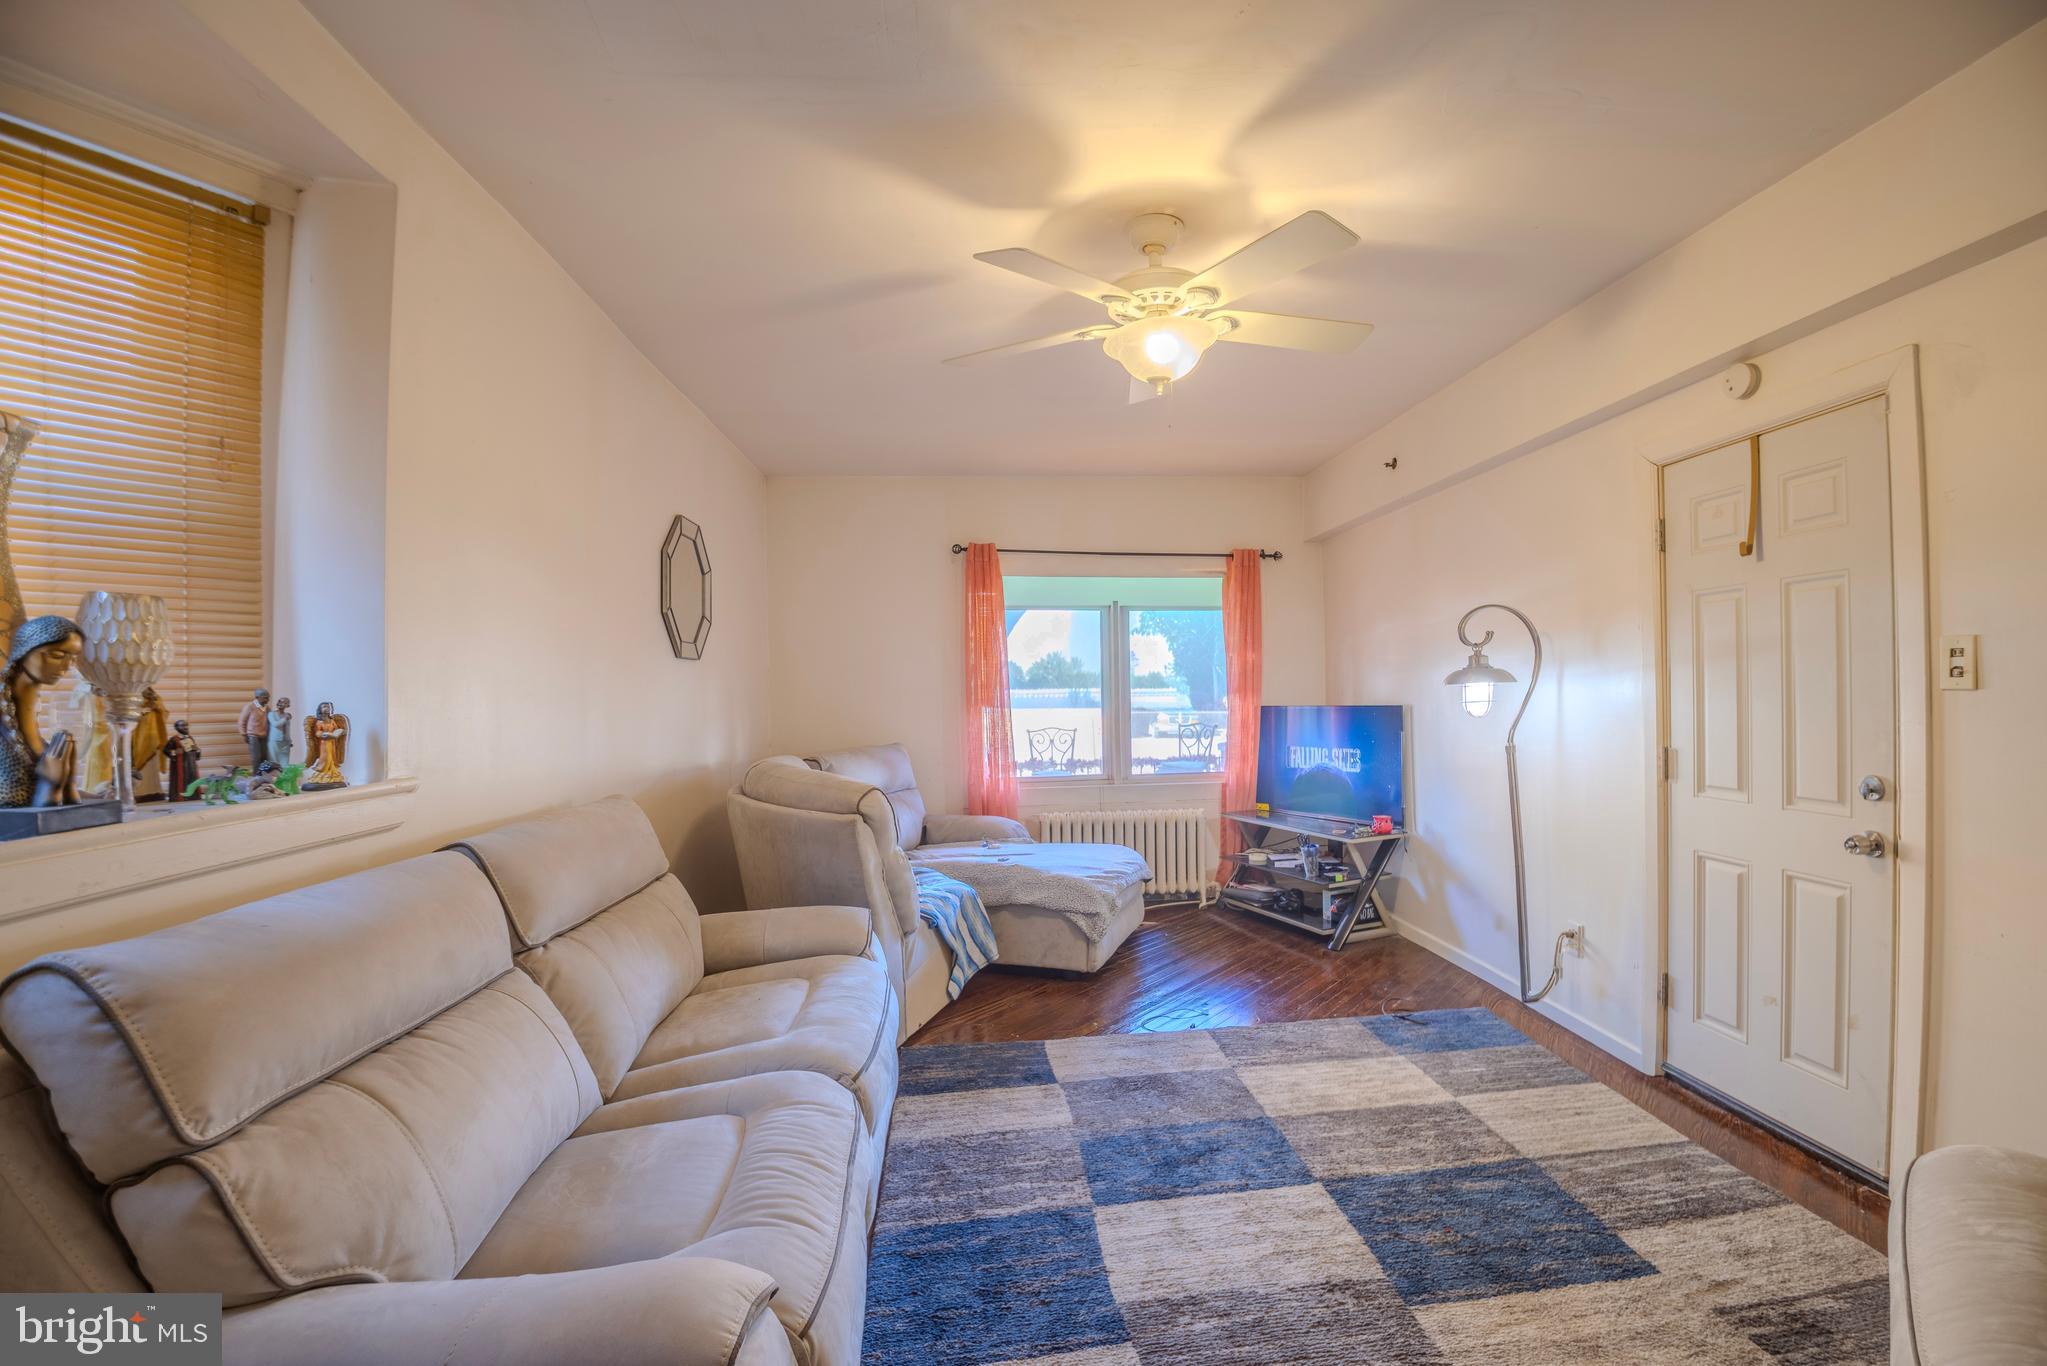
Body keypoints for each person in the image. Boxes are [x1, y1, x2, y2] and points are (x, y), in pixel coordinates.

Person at [1, 614, 85, 808]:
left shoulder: (44, 746)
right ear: (25, 651)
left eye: (73, 658)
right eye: (57, 655)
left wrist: (68, 784)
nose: (67, 666)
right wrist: (50, 786)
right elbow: (12, 800)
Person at [132, 686, 170, 800]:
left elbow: (165, 713)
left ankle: (154, 790)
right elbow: (131, 714)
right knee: (140, 762)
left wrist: (157, 707)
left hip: (154, 736)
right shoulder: (133, 697)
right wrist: (147, 709)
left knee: (153, 764)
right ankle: (140, 791)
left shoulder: (156, 697)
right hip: (140, 736)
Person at [303, 702, 349, 790]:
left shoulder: (332, 721)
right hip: (324, 742)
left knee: (332, 756)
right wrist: (322, 734)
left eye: (328, 707)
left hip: (332, 742)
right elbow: (317, 732)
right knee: (325, 757)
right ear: (320, 709)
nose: (326, 708)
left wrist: (341, 732)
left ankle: (331, 771)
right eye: (324, 707)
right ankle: (323, 770)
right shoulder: (319, 722)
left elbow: (336, 729)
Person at [163, 720, 201, 800]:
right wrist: (175, 752)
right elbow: (165, 750)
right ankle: (180, 796)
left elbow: (194, 750)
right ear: (176, 728)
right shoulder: (174, 739)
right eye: (183, 725)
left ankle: (193, 796)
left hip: (191, 764)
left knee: (192, 779)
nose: (185, 727)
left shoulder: (190, 738)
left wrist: (197, 750)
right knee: (180, 779)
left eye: (186, 725)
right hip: (179, 765)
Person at [238, 687, 270, 770]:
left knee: (265, 757)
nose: (267, 700)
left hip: (264, 735)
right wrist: (244, 734)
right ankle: (256, 775)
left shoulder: (267, 709)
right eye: (265, 698)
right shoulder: (250, 707)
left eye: (268, 697)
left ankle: (263, 774)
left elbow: (270, 721)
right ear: (257, 697)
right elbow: (242, 721)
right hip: (253, 735)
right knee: (256, 757)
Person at [266, 695, 294, 773]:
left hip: (285, 741)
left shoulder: (286, 715)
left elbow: (287, 729)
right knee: (273, 760)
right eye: (279, 701)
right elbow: (276, 724)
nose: (280, 703)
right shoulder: (271, 714)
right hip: (275, 740)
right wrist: (285, 718)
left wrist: (289, 740)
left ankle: (283, 776)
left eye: (284, 702)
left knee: (285, 761)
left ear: (287, 705)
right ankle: (274, 776)